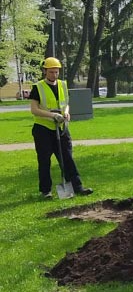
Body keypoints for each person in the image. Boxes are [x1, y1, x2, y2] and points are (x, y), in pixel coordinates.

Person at [29, 57, 92, 198]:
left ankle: (77, 187)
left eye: (56, 72)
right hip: (43, 129)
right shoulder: (38, 87)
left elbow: (66, 103)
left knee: (67, 158)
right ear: (45, 71)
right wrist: (52, 115)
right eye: (51, 72)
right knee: (44, 161)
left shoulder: (63, 85)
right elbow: (34, 109)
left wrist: (66, 113)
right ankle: (46, 191)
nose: (54, 75)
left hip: (61, 128)